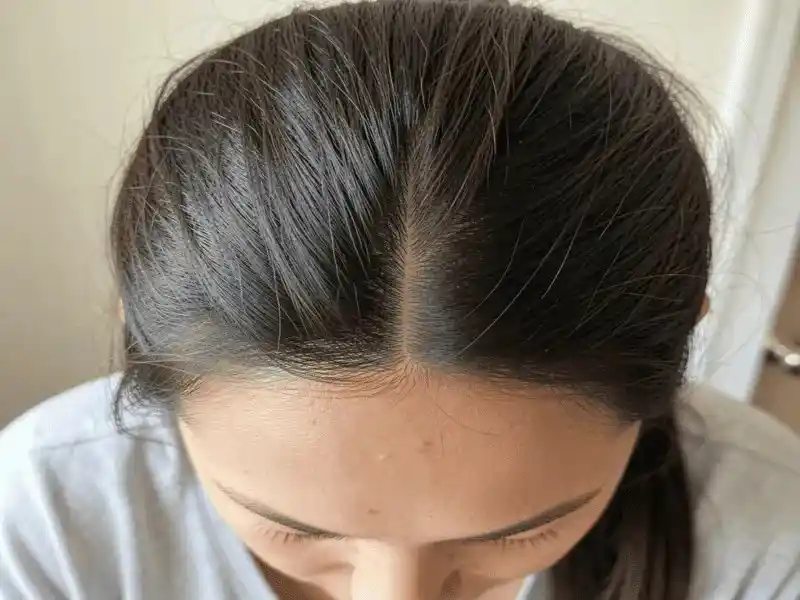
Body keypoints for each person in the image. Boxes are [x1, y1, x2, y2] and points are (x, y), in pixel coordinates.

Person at [1, 1, 798, 598]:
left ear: (680, 341)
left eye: (523, 531)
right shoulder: (43, 518)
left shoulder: (767, 533)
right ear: (141, 343)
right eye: (298, 529)